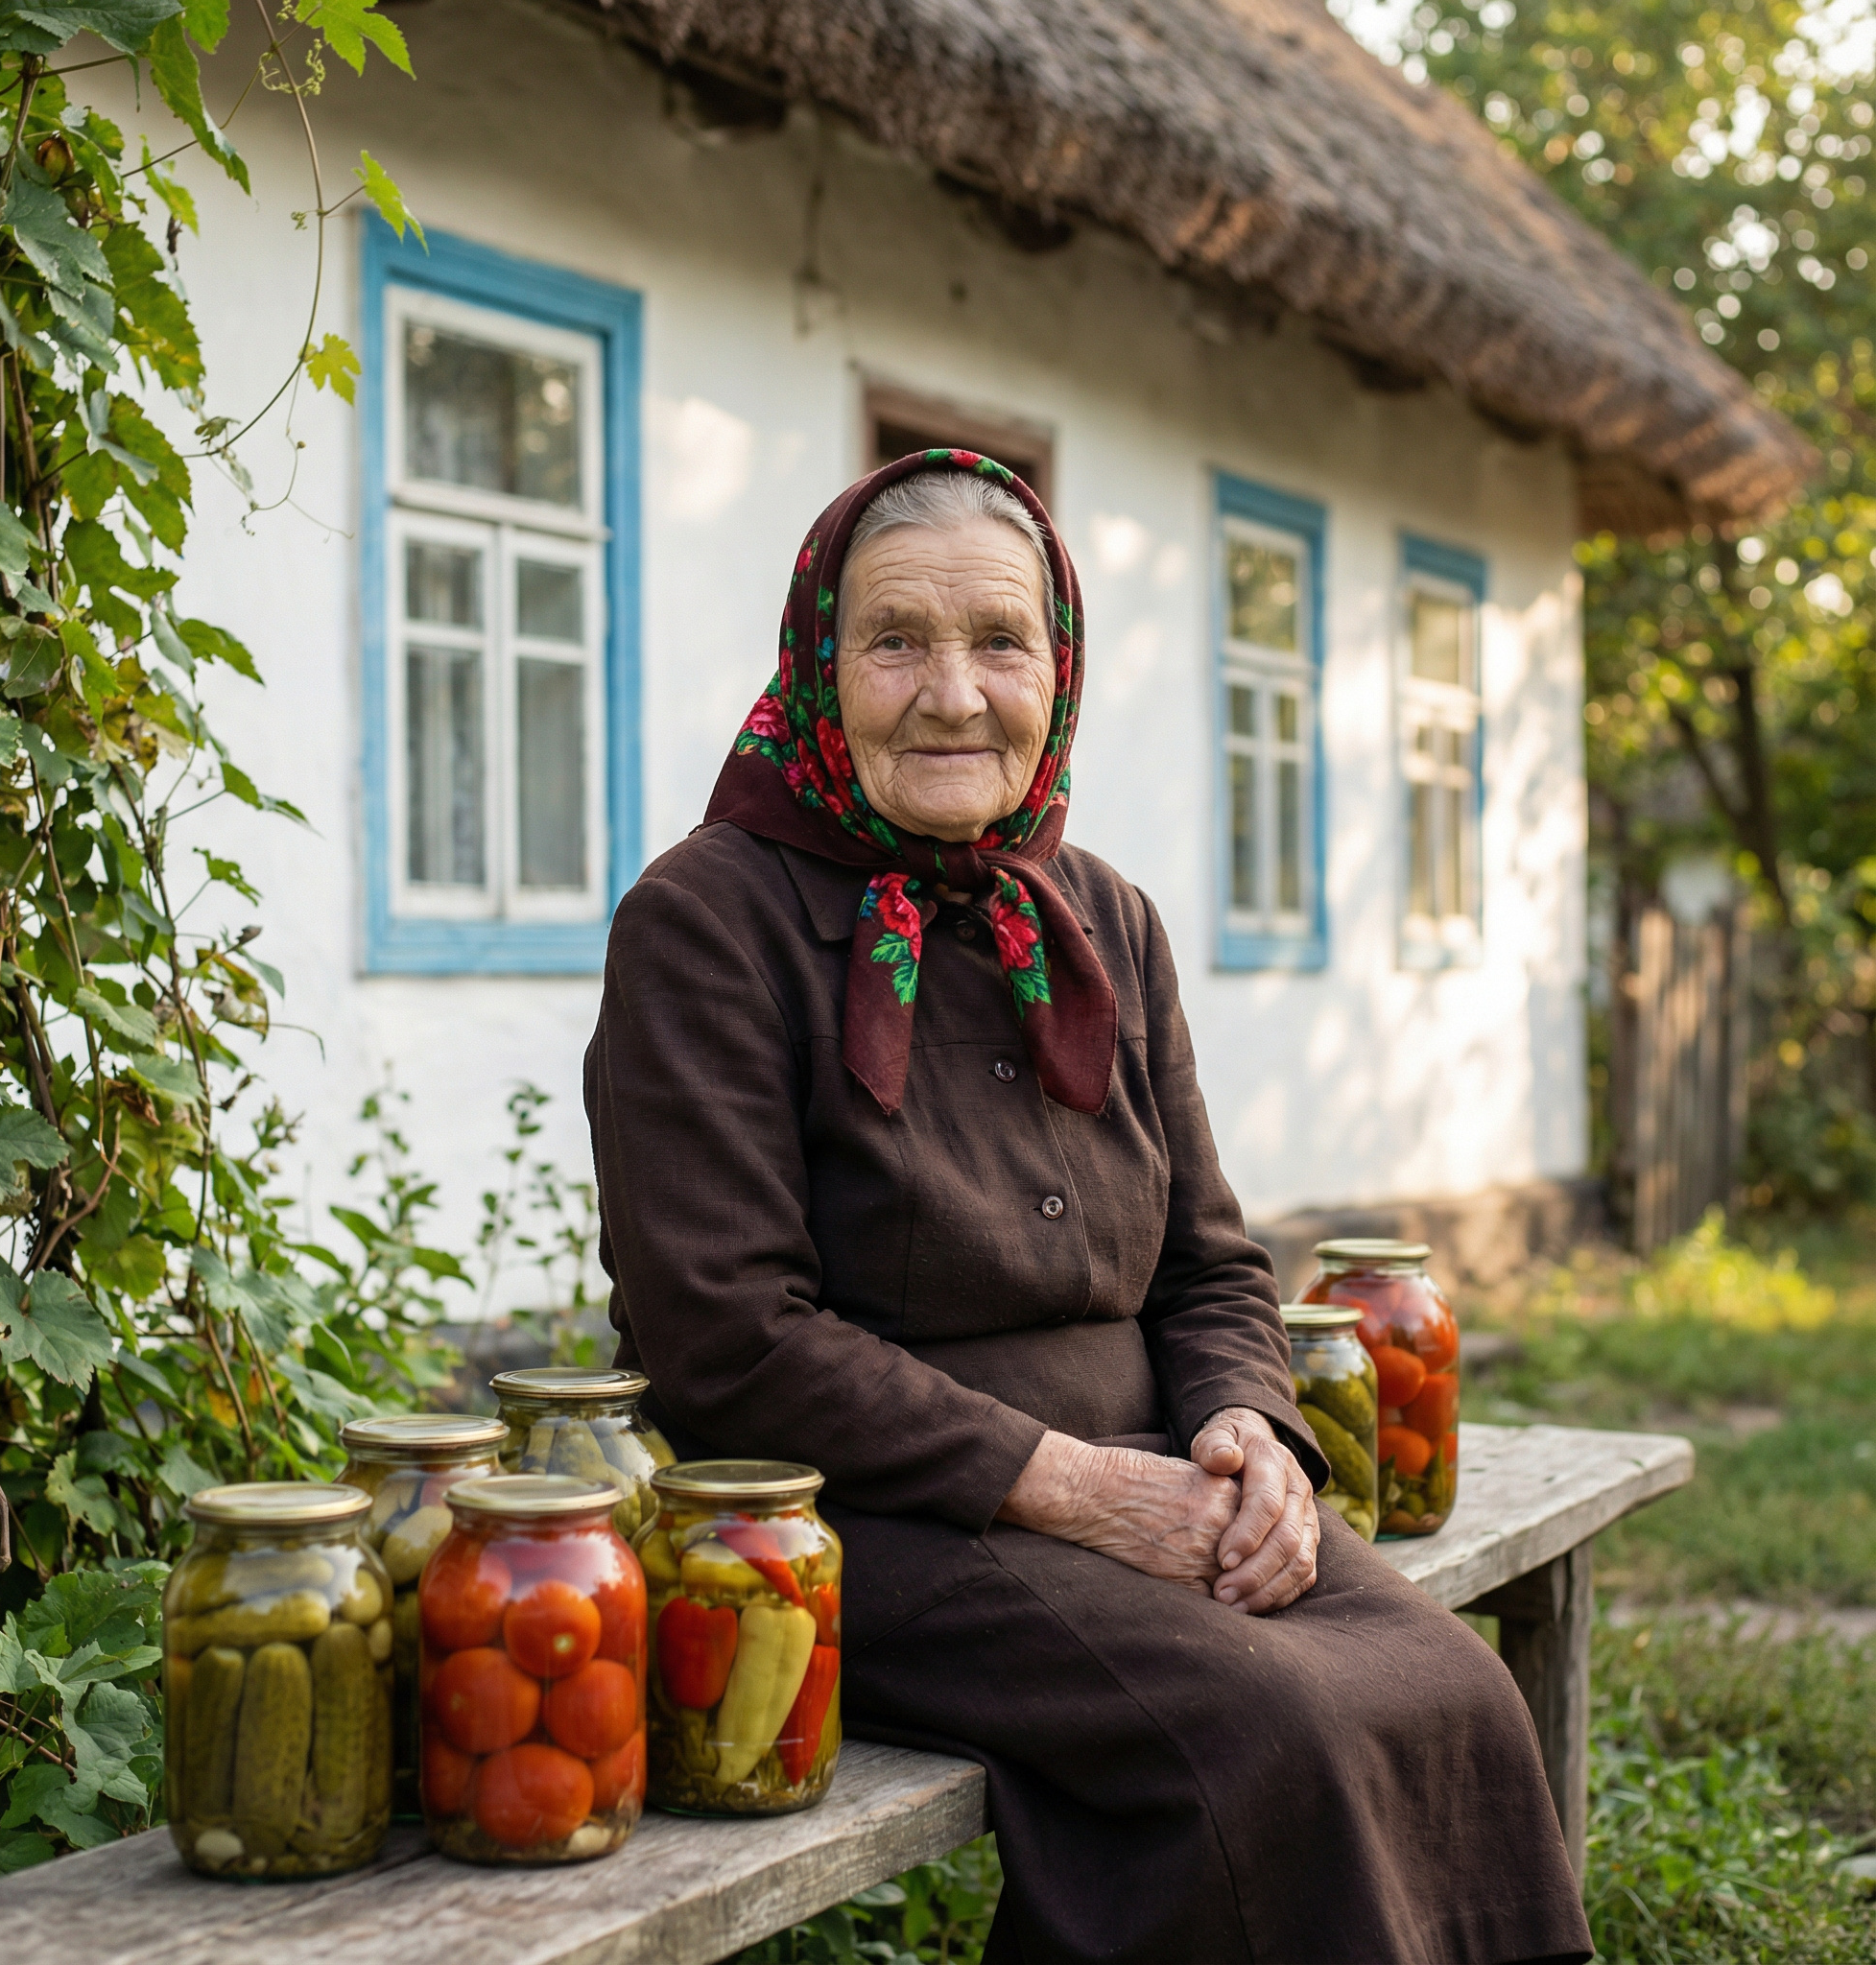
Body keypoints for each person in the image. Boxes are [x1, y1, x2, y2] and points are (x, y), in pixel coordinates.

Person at [585, 451, 1591, 1965]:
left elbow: (1210, 1264)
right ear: (817, 663)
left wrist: (1249, 1432)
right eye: (897, 641)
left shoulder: (1104, 914)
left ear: (1059, 669)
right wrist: (1071, 1487)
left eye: (1001, 643)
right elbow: (725, 1339)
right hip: (858, 1517)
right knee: (1270, 1739)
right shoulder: (708, 922)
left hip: (1157, 1480)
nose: (954, 693)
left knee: (1454, 1692)